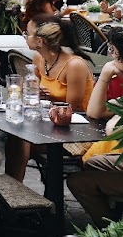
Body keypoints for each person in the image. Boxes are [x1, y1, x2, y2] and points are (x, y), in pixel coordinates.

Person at [68, 26, 123, 228]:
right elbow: (94, 112)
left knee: (77, 182)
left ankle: (112, 233)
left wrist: (117, 118)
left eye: (113, 52)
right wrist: (106, 74)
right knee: (92, 163)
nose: (111, 57)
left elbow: (115, 131)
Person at [5, 14, 93, 182]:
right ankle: (12, 191)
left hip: (78, 133)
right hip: (51, 125)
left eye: (28, 33)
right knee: (16, 136)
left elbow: (71, 110)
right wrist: (34, 92)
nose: (25, 36)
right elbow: (33, 94)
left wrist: (46, 97)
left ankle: (15, 193)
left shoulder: (74, 65)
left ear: (40, 41)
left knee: (21, 139)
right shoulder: (40, 58)